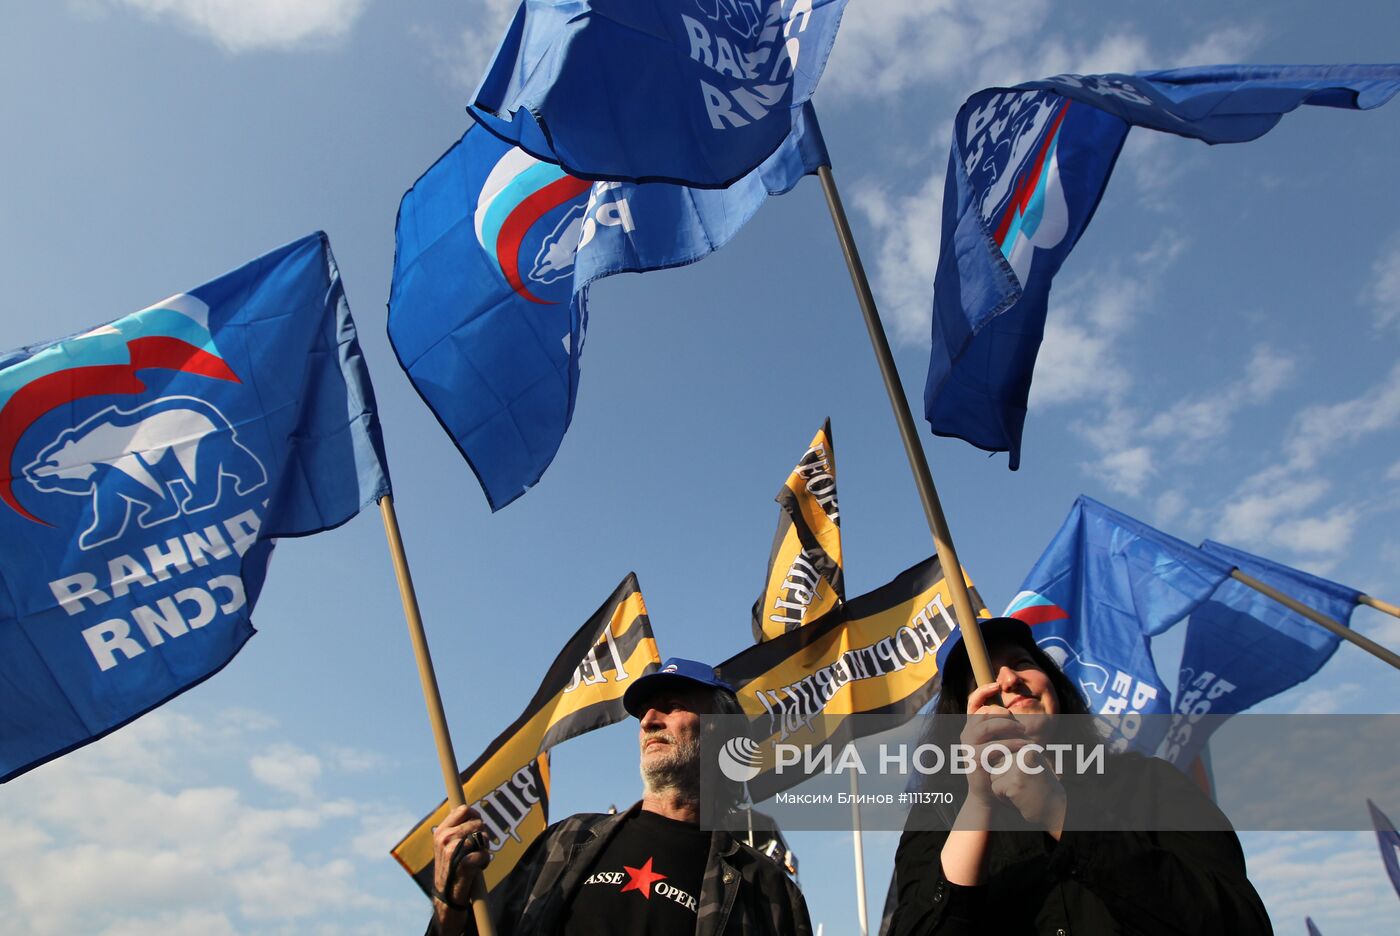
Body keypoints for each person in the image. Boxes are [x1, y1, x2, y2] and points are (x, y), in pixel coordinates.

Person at [886, 617, 1273, 935]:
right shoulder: (938, 816)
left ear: (1054, 683)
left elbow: (1238, 923)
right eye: (983, 676)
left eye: (1022, 662)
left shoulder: (1149, 782)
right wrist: (979, 804)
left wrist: (1060, 814)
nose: (1007, 679)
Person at [428, 658, 814, 936]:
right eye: (646, 712)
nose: (648, 720)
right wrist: (450, 902)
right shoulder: (567, 841)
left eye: (673, 706)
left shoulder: (767, 892)